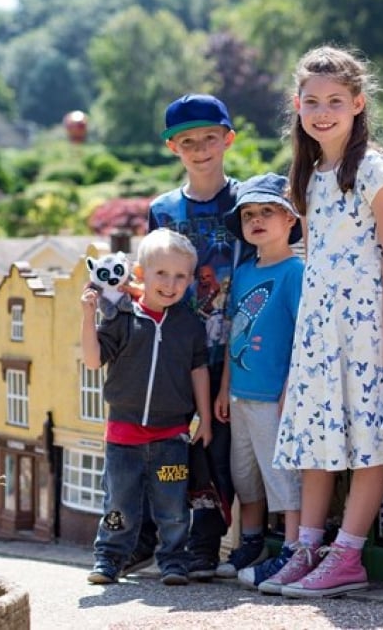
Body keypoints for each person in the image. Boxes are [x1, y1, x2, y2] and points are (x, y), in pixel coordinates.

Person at [264, 46, 383, 598]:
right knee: (316, 439)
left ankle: (347, 556)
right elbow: (314, 258)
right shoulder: (308, 174)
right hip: (318, 331)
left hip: (365, 329)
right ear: (297, 105)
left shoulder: (372, 168)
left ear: (358, 104)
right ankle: (307, 547)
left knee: (366, 441)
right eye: (312, 101)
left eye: (335, 101)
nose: (323, 111)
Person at [131, 93, 249, 581]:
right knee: (162, 445)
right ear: (172, 148)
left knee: (215, 450)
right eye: (187, 141)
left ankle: (205, 543)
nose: (200, 148)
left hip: (230, 348)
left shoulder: (247, 202)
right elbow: (150, 275)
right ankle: (149, 539)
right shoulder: (162, 209)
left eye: (209, 138)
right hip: (173, 349)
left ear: (228, 140)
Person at [82, 228, 213, 587]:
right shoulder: (122, 319)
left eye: (180, 276)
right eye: (161, 274)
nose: (170, 284)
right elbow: (93, 361)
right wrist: (88, 315)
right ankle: (108, 559)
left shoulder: (188, 324)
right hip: (123, 437)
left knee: (172, 506)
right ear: (140, 273)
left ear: (189, 280)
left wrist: (204, 419)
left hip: (172, 436)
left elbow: (198, 369)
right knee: (119, 503)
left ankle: (173, 561)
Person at [209, 173, 304, 586]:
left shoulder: (294, 271)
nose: (257, 220)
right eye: (249, 214)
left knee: (280, 474)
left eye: (268, 211)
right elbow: (235, 332)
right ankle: (251, 541)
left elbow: (304, 336)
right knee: (244, 474)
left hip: (272, 396)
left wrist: (291, 389)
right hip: (240, 395)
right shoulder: (245, 271)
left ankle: (294, 547)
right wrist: (225, 387)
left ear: (289, 220)